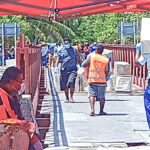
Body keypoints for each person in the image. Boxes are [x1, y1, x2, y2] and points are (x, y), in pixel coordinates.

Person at [0, 67, 42, 150]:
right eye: (20, 81)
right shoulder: (1, 96)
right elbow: (4, 118)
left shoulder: (12, 96)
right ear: (11, 82)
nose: (22, 84)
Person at [81, 44, 109, 116]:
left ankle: (92, 109)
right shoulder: (106, 59)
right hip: (102, 81)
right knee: (102, 96)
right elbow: (107, 71)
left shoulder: (91, 57)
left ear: (96, 50)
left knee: (92, 95)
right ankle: (101, 111)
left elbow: (83, 64)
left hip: (92, 79)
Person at [55, 38, 81, 103]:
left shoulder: (74, 50)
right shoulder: (61, 50)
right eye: (65, 43)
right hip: (64, 69)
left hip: (72, 69)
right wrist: (56, 67)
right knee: (65, 85)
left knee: (71, 82)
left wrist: (81, 66)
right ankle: (67, 98)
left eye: (68, 43)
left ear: (70, 43)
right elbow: (58, 59)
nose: (66, 44)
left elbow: (78, 58)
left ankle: (71, 97)